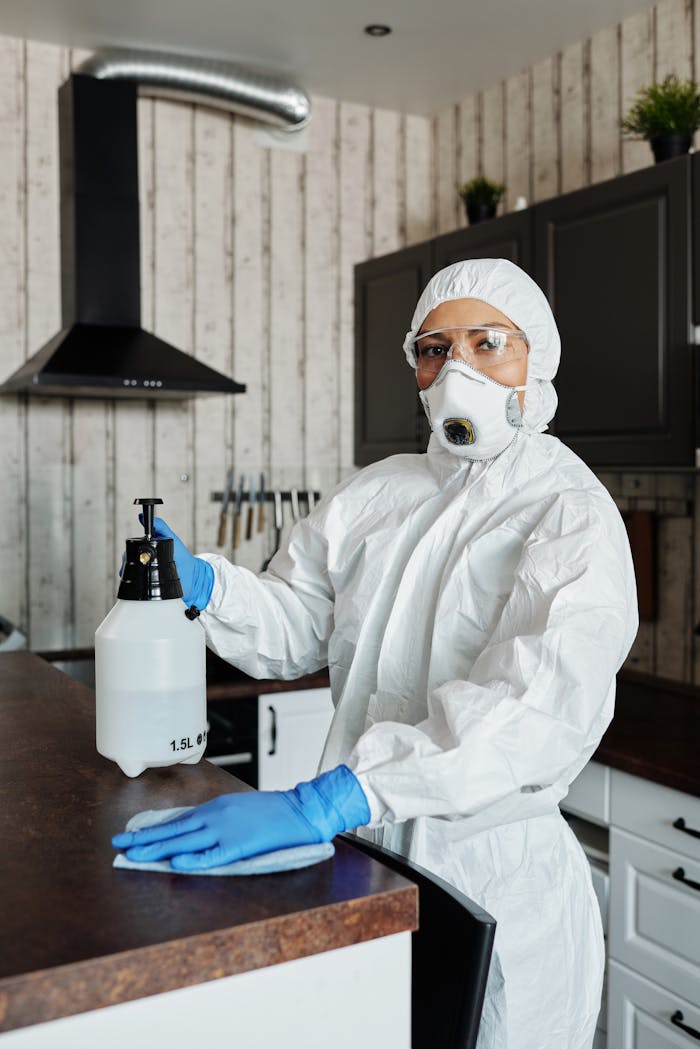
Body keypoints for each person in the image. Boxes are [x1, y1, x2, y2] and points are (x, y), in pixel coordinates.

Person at [113, 258, 638, 1049]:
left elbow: (528, 709)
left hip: (492, 880)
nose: (456, 368)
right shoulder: (377, 493)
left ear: (539, 360)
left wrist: (324, 801)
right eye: (433, 348)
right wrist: (207, 586)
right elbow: (296, 624)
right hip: (367, 859)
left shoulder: (570, 513)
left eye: (487, 343)